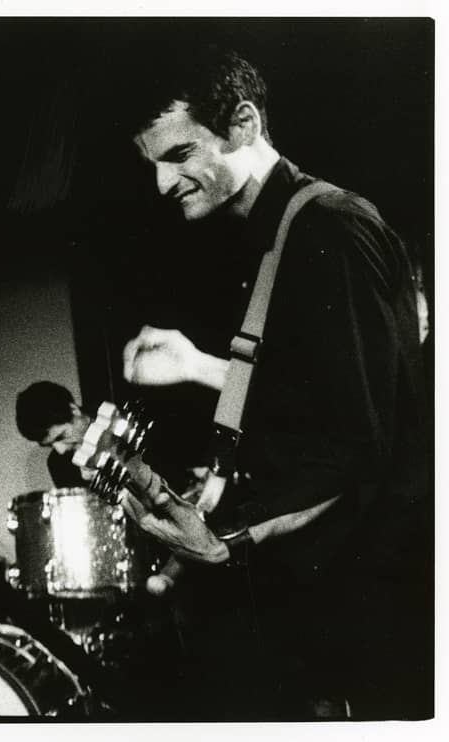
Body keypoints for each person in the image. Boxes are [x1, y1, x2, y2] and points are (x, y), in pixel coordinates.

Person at [115, 47, 431, 720]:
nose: (162, 184)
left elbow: (357, 446)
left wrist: (225, 538)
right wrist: (201, 369)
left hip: (377, 613)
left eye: (179, 155)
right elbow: (316, 395)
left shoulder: (329, 228)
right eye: (151, 165)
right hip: (336, 605)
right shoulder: (277, 233)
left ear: (245, 124)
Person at [14, 381, 91, 488]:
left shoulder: (113, 408)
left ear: (74, 410)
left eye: (61, 436)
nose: (61, 450)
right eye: (49, 445)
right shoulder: (58, 464)